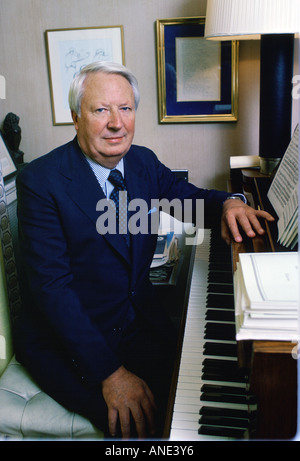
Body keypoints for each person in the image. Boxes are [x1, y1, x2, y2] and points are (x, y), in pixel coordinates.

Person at [15, 62, 274, 439]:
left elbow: (191, 202)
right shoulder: (41, 182)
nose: (116, 123)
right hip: (70, 345)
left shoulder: (141, 162)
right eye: (101, 110)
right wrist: (110, 374)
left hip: (138, 324)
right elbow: (53, 291)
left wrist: (231, 202)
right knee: (143, 426)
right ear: (75, 117)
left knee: (208, 386)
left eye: (126, 109)